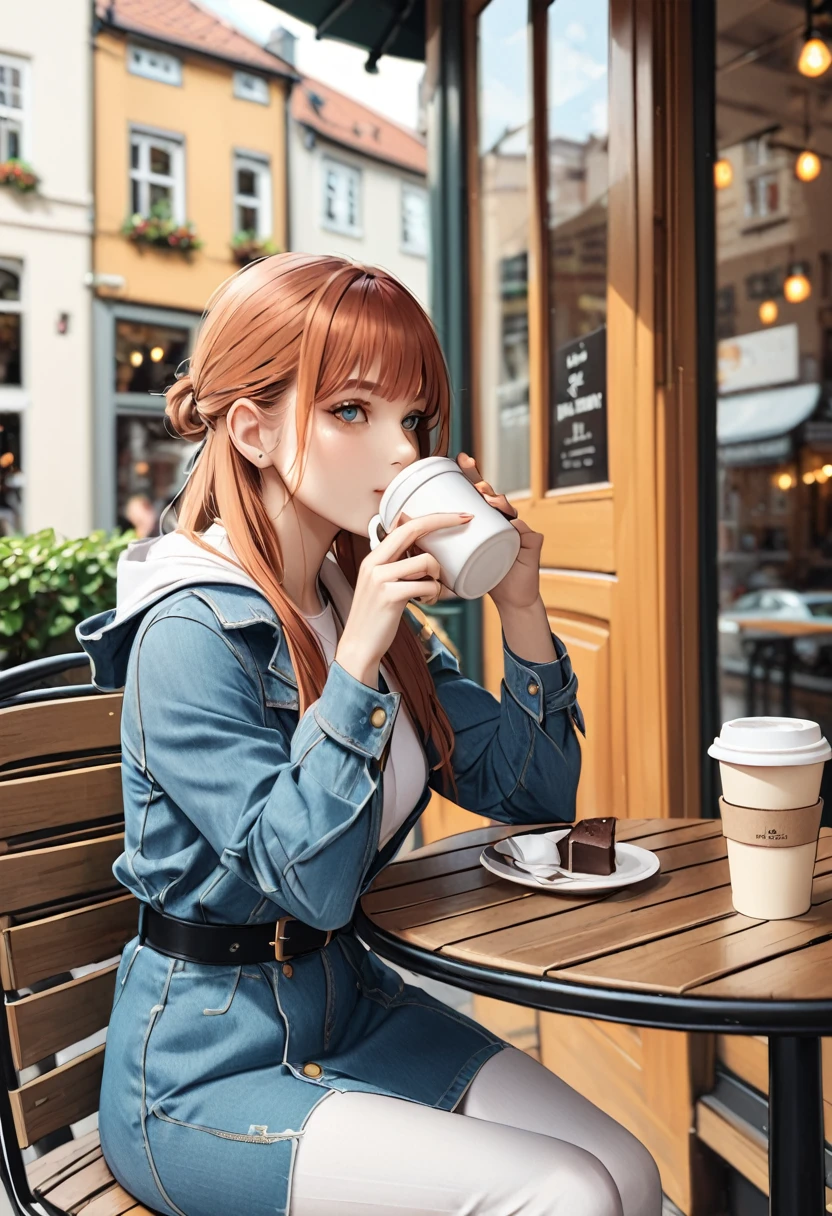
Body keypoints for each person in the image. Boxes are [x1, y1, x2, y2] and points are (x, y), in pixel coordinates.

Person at [77, 253, 662, 1216]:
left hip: (351, 1001)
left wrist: (521, 608)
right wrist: (354, 659)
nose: (401, 451)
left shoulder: (354, 597)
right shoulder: (188, 628)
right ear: (254, 431)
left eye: (414, 419)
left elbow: (534, 795)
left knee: (627, 1172)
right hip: (201, 1067)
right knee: (564, 1195)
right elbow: (305, 875)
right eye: (354, 410)